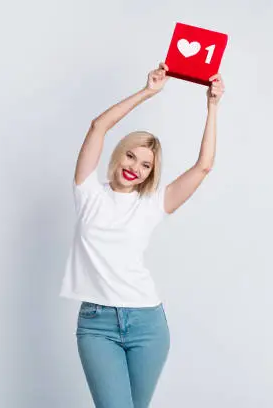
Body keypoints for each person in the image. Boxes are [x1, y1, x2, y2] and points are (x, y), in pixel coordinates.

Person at [60, 62, 225, 408]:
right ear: (119, 154)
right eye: (131, 156)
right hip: (97, 324)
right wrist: (148, 92)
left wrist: (212, 106)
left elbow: (203, 166)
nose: (134, 167)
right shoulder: (88, 192)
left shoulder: (153, 204)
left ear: (151, 173)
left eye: (145, 164)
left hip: (147, 324)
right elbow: (98, 127)